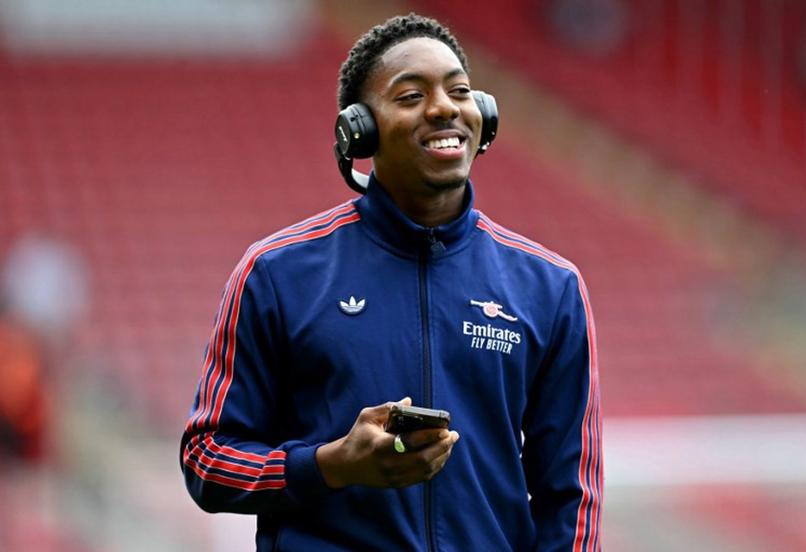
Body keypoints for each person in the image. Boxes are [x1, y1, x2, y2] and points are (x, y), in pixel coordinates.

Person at [180, 13, 602, 551]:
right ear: (361, 130)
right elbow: (207, 461)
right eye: (411, 96)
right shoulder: (275, 272)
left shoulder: (551, 287)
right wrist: (331, 465)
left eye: (460, 91)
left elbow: (572, 497)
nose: (444, 108)